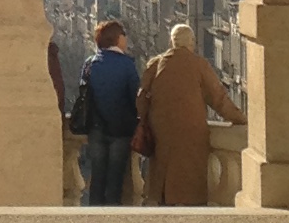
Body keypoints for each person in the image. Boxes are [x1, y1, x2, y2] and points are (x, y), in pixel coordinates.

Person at [138, 21, 240, 207]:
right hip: (192, 133)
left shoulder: (155, 64)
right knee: (189, 186)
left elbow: (141, 98)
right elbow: (219, 99)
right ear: (191, 43)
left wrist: (147, 120)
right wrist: (240, 119)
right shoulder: (199, 65)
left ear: (172, 42)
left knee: (163, 182)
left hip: (161, 133)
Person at [74, 19, 142, 205]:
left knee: (97, 177)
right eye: (123, 35)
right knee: (115, 179)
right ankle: (112, 216)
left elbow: (83, 94)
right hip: (121, 130)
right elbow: (135, 97)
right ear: (117, 38)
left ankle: (95, 215)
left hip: (96, 129)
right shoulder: (127, 65)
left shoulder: (90, 64)